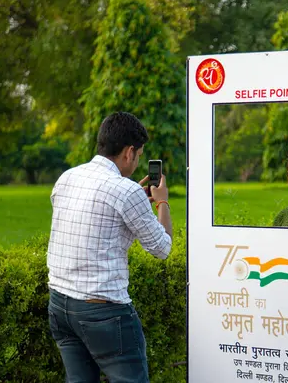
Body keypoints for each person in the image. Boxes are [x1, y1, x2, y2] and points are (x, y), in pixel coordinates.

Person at [46, 111, 173, 383]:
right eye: (139, 155)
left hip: (59, 305)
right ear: (129, 152)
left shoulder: (67, 178)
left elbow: (92, 226)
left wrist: (137, 203)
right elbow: (162, 248)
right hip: (103, 311)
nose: (138, 161)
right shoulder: (126, 191)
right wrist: (162, 202)